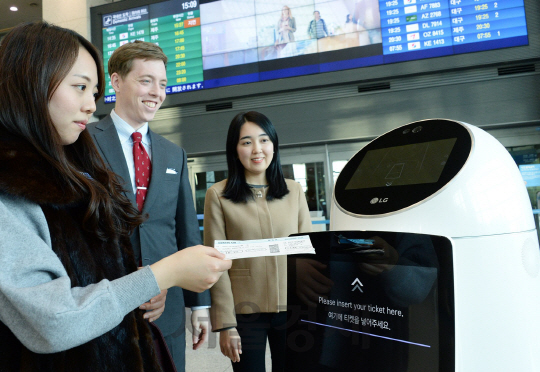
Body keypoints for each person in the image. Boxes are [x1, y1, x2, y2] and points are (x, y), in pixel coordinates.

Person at [0, 21, 231, 372]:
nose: (89, 105)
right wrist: (159, 275)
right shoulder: (66, 156)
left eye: (92, 91)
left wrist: (177, 293)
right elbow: (53, 318)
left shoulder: (163, 155)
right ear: (30, 83)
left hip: (140, 323)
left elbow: (182, 230)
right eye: (79, 87)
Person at [87, 40, 208, 372]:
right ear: (116, 81)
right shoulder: (83, 143)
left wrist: (200, 306)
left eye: (163, 83)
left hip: (165, 311)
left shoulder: (174, 154)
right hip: (106, 306)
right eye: (146, 80)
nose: (157, 91)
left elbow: (186, 233)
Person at [204, 111, 312, 371]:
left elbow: (309, 255)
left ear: (273, 145)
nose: (257, 149)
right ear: (235, 149)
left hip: (292, 309)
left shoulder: (294, 191)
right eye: (246, 142)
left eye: (264, 140)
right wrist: (226, 324)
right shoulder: (218, 195)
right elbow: (216, 265)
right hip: (244, 312)